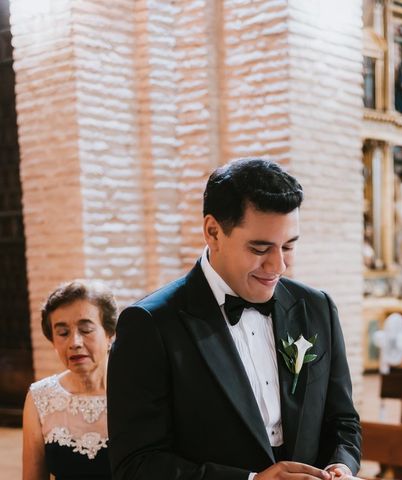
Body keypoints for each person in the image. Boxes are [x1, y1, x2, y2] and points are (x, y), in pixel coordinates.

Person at [107, 158, 361, 480]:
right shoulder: (150, 325)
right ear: (213, 232)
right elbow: (136, 465)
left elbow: (343, 422)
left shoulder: (316, 307)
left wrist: (340, 466)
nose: (278, 266)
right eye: (259, 249)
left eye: (288, 246)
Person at [22, 280, 117, 480]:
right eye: (63, 333)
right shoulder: (40, 399)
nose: (75, 343)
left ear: (110, 334)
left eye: (86, 330)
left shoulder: (139, 391)